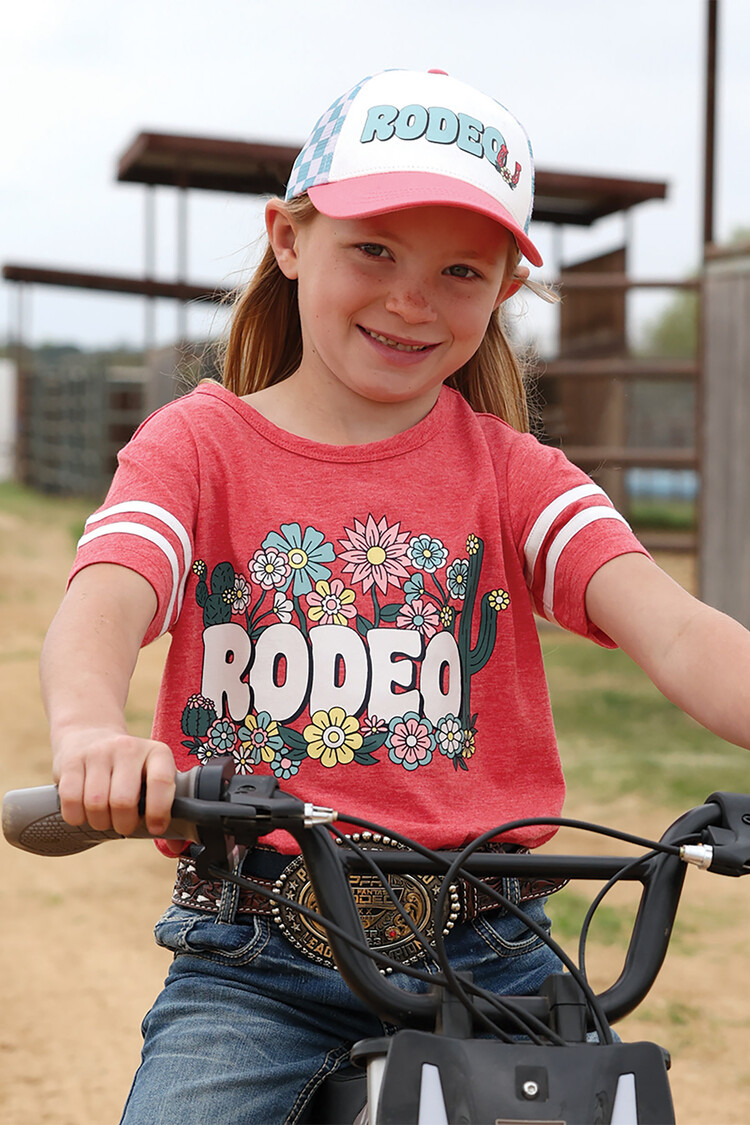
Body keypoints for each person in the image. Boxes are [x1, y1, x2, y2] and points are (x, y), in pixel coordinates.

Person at [41, 68, 750, 1124]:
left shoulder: (515, 477)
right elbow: (109, 591)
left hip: (495, 949)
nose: (413, 299)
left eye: (461, 269)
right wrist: (93, 732)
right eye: (373, 249)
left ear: (505, 287)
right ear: (289, 240)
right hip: (257, 962)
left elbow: (679, 629)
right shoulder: (199, 447)